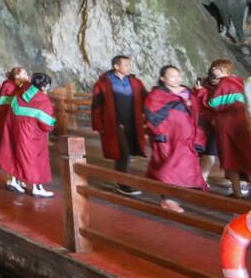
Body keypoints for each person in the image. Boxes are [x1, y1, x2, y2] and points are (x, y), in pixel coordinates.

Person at [144, 65, 207, 212]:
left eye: (178, 76)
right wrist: (159, 133)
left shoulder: (188, 92)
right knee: (169, 167)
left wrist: (198, 138)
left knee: (183, 166)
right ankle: (169, 199)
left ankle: (174, 197)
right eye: (172, 76)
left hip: (187, 137)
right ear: (162, 78)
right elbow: (152, 115)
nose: (177, 79)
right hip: (167, 139)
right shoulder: (157, 95)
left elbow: (198, 115)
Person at [90, 55, 147, 195]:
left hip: (132, 123)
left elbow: (147, 98)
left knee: (125, 154)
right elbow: (96, 106)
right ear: (116, 66)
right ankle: (122, 184)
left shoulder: (135, 81)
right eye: (126, 65)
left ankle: (120, 180)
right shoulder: (103, 83)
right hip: (114, 124)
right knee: (122, 153)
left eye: (129, 65)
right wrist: (98, 125)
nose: (129, 68)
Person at [197, 58, 251, 198]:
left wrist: (202, 92)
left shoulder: (225, 83)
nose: (211, 71)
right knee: (246, 159)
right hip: (243, 124)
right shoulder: (239, 81)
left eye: (214, 69)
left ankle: (238, 194)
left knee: (230, 160)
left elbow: (214, 104)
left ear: (220, 71)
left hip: (228, 125)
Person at [9, 73, 56, 197]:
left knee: (19, 155)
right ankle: (37, 187)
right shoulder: (43, 99)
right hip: (33, 133)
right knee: (36, 158)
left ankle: (15, 180)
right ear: (44, 86)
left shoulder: (22, 91)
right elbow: (47, 124)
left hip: (17, 128)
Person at [0, 67, 29, 192]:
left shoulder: (17, 86)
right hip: (4, 123)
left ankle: (16, 178)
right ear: (16, 75)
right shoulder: (8, 86)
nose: (26, 75)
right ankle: (11, 178)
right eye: (23, 73)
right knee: (8, 150)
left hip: (12, 123)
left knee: (15, 150)